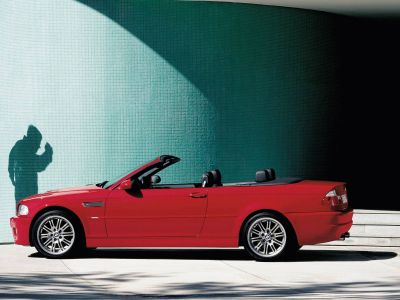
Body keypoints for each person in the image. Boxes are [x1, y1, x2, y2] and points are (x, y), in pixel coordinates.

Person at [8, 125, 53, 203]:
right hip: (27, 189)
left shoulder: (18, 146)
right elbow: (38, 165)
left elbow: (10, 165)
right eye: (38, 143)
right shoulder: (23, 149)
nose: (38, 147)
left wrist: (12, 178)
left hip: (20, 188)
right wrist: (48, 153)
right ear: (33, 141)